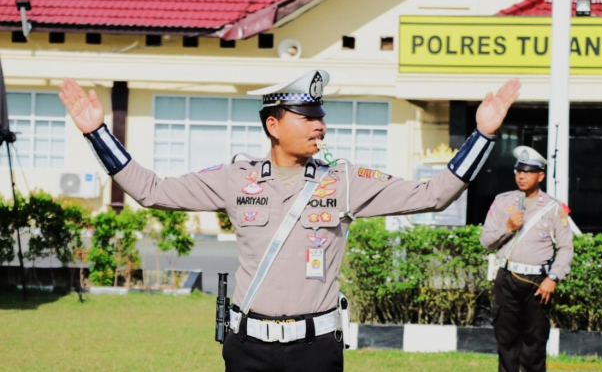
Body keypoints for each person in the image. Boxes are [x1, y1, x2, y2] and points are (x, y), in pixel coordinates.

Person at [59, 70, 521, 372]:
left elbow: (433, 195)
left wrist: (483, 134)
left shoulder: (344, 180)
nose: (320, 124)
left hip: (314, 351)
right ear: (274, 125)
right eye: (307, 115)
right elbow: (151, 190)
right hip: (247, 348)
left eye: (321, 115)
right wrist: (98, 133)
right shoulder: (235, 178)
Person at [480, 146, 574, 372]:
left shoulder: (553, 208)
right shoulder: (503, 202)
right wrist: (508, 227)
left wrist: (552, 277)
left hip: (537, 282)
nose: (521, 176)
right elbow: (486, 241)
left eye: (528, 172)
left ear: (540, 176)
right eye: (518, 171)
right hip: (507, 278)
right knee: (506, 339)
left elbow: (566, 247)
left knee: (535, 341)